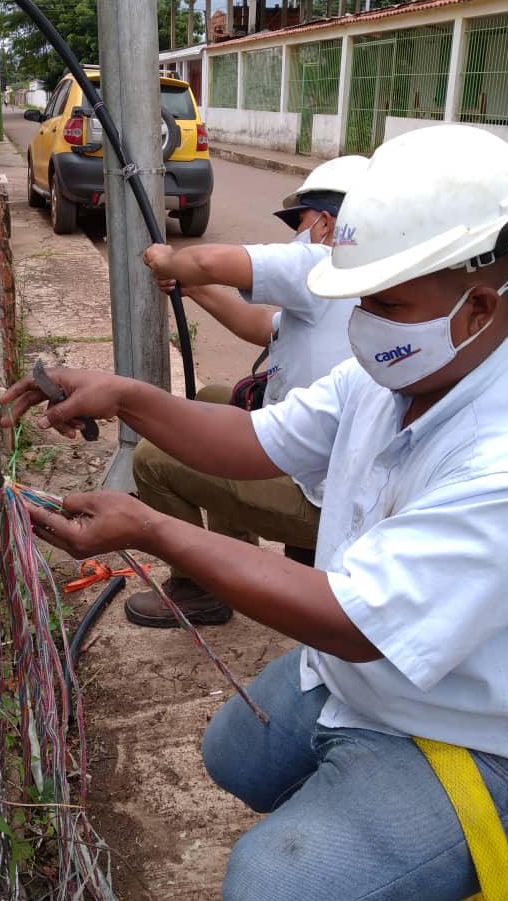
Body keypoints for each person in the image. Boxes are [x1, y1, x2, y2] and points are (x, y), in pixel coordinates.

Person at [1, 124, 508, 901]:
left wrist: (155, 532)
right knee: (233, 754)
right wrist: (125, 393)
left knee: (270, 899)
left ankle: (467, 832)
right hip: (367, 682)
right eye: (360, 298)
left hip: (477, 735)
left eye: (387, 302)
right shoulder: (392, 374)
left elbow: (354, 624)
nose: (363, 322)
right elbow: (253, 441)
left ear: (479, 306)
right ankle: (365, 830)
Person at [126, 154, 368, 628]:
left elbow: (208, 259)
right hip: (334, 463)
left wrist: (172, 259)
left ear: (325, 221)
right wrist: (191, 289)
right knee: (216, 398)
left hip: (323, 498)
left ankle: (201, 590)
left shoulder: (326, 261)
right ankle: (234, 558)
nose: (296, 235)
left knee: (152, 461)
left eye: (299, 222)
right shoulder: (360, 284)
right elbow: (262, 327)